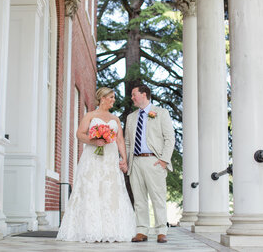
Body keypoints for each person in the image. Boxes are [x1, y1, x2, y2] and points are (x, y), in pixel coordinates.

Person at [56, 87, 135, 243]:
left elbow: (119, 139)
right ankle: (90, 230)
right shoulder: (90, 115)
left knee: (110, 190)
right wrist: (94, 141)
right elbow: (80, 134)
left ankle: (110, 231)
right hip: (92, 157)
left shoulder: (115, 119)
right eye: (111, 97)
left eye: (113, 97)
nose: (113, 100)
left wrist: (124, 159)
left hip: (110, 157)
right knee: (91, 188)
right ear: (102, 98)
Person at [125, 84, 175, 243]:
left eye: (134, 94)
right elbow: (127, 142)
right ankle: (141, 231)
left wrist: (163, 160)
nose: (132, 97)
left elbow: (169, 138)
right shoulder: (131, 117)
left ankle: (161, 231)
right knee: (139, 199)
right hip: (135, 162)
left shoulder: (161, 113)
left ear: (144, 94)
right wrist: (127, 162)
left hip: (154, 161)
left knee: (157, 198)